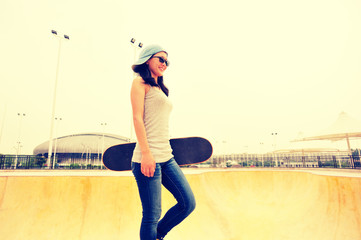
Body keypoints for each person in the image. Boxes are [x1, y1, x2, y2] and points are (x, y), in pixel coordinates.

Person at [130, 44, 196, 240]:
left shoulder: (159, 88)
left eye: (167, 61)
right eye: (161, 59)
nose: (164, 64)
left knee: (188, 203)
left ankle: (156, 236)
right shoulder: (139, 83)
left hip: (167, 157)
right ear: (148, 59)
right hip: (147, 157)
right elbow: (137, 118)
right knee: (151, 215)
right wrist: (147, 154)